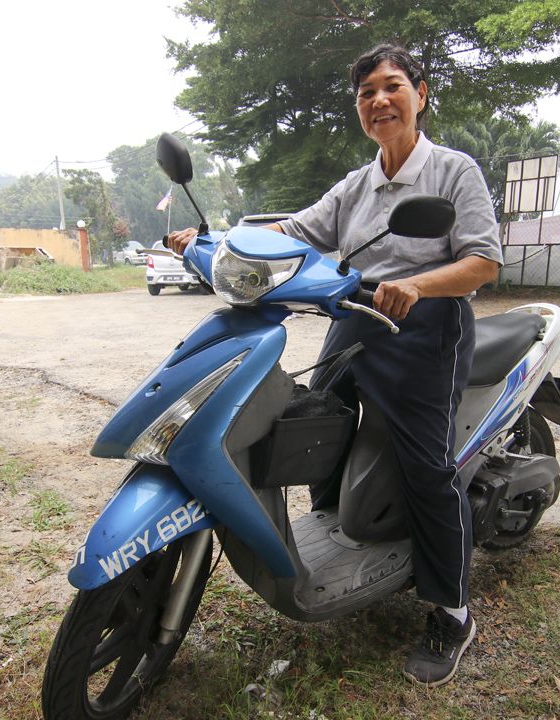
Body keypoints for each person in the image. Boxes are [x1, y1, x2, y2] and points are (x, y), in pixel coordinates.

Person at [169, 44, 502, 688]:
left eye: (392, 86)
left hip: (426, 327)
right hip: (356, 316)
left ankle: (453, 611)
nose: (379, 100)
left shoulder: (455, 172)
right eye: (366, 93)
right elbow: (293, 232)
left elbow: (483, 262)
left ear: (420, 95)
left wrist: (421, 285)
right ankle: (336, 522)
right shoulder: (358, 183)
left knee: (428, 469)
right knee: (312, 420)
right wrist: (209, 244)